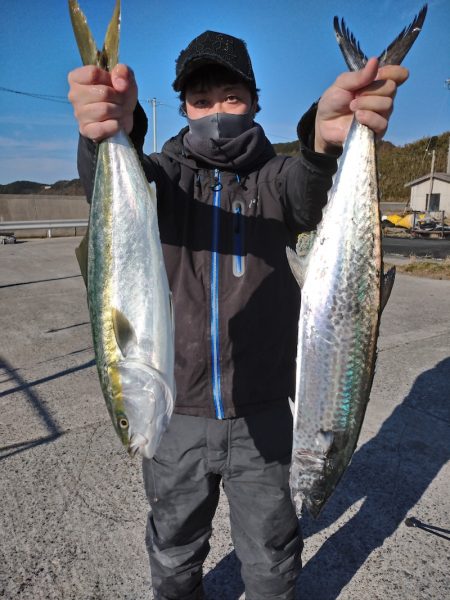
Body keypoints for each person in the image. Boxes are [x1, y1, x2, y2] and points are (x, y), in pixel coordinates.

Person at [68, 30, 408, 600]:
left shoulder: (275, 179)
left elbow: (308, 191)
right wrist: (107, 135)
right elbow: (116, 197)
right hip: (177, 410)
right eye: (201, 101)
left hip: (267, 418)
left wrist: (325, 144)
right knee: (174, 554)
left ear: (254, 101)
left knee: (274, 560)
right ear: (183, 109)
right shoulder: (164, 179)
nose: (216, 112)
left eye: (231, 97)